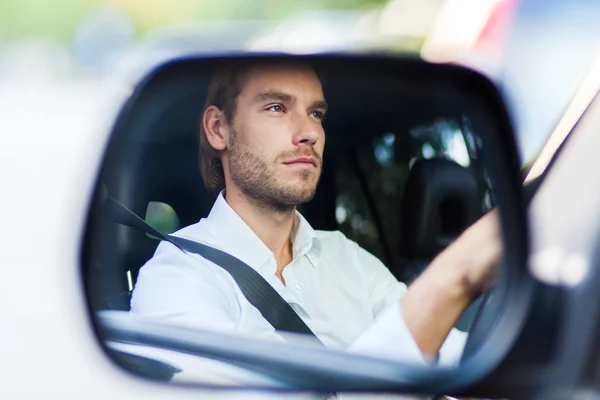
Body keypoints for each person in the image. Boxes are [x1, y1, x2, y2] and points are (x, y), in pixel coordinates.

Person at [130, 60, 501, 366]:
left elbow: (454, 358)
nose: (309, 131)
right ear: (218, 128)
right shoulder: (178, 275)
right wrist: (455, 277)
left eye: (316, 113)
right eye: (277, 107)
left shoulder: (348, 257)